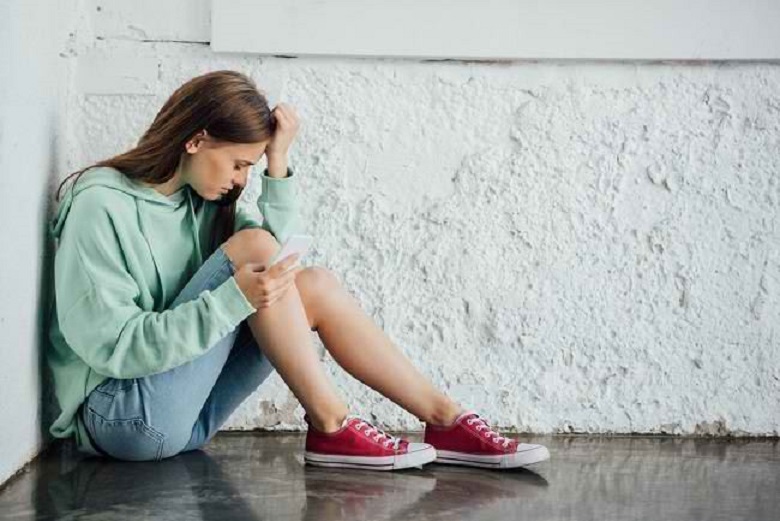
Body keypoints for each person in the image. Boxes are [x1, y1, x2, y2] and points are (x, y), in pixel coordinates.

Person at [47, 69, 550, 470]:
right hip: (123, 419)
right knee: (254, 248)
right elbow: (114, 345)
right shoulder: (100, 204)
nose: (241, 181)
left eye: (250, 168)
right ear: (196, 141)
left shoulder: (199, 203)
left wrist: (279, 161)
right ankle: (332, 424)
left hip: (188, 420)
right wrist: (232, 299)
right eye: (240, 164)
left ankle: (443, 418)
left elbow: (283, 260)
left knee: (313, 284)